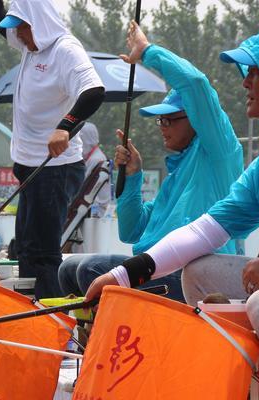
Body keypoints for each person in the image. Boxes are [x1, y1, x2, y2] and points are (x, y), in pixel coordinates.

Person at [85, 16, 259, 397]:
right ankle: (227, 384)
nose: (245, 82)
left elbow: (197, 86)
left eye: (255, 72)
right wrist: (121, 276)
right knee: (197, 272)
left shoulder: (218, 149)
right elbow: (203, 231)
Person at [58, 21, 243, 301]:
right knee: (69, 269)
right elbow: (132, 231)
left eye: (169, 119)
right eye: (160, 119)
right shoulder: (179, 169)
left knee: (91, 269)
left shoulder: (219, 152)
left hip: (194, 275)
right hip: (159, 269)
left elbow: (196, 85)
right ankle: (94, 338)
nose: (162, 126)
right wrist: (133, 176)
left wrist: (147, 51)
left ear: (195, 117)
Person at [0, 0, 105, 299]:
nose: (17, 37)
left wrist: (65, 126)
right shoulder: (31, 44)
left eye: (21, 29)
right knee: (24, 246)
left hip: (55, 169)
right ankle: (28, 309)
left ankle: (52, 318)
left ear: (35, 22)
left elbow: (93, 91)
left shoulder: (64, 50)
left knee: (42, 252)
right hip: (30, 166)